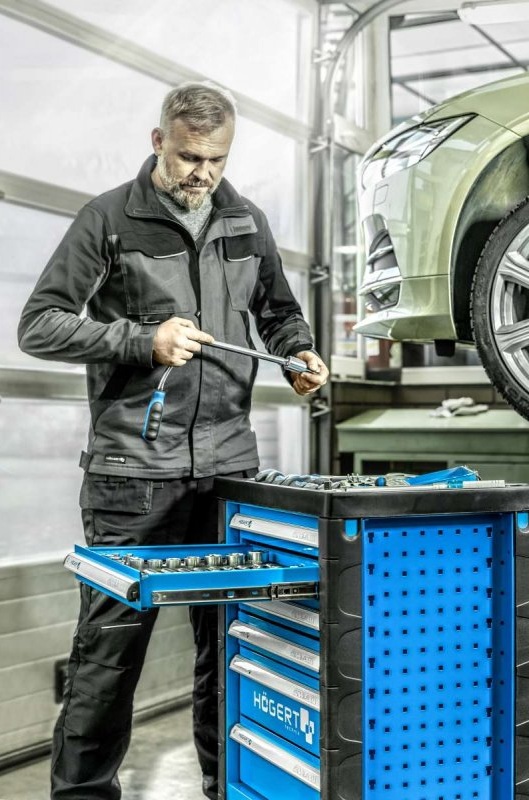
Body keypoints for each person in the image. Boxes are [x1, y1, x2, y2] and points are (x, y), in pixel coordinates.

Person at [18, 81, 328, 800]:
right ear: (159, 142)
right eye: (189, 157)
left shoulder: (245, 222)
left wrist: (298, 353)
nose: (202, 174)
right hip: (133, 476)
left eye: (216, 160)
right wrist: (140, 340)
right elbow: (39, 324)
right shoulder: (109, 219)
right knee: (108, 658)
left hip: (228, 474)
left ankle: (229, 788)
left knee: (229, 649)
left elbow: (278, 312)